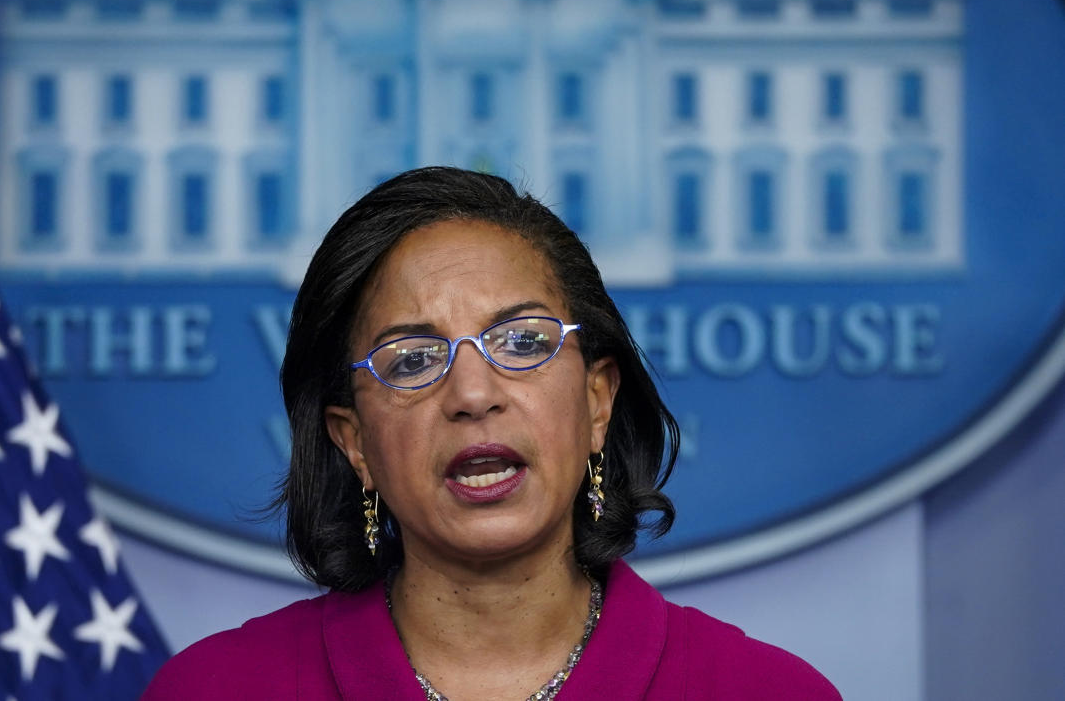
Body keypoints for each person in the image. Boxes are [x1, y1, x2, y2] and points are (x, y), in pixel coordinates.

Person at [143, 167, 841, 700]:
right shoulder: (214, 687)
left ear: (598, 402)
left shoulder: (765, 690)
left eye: (524, 341)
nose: (473, 394)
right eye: (413, 359)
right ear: (354, 442)